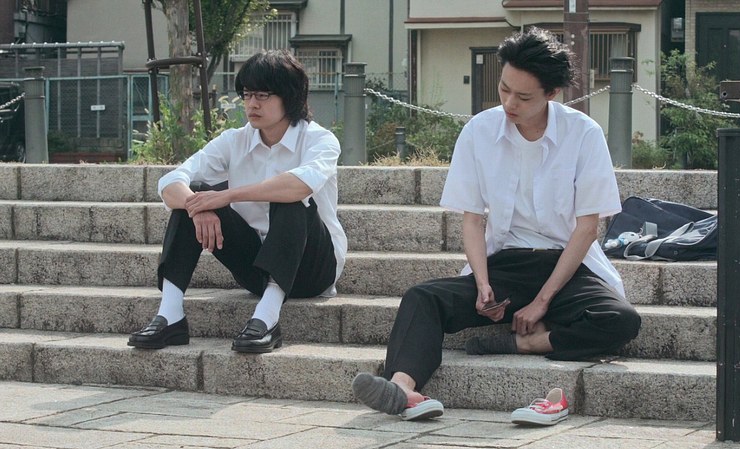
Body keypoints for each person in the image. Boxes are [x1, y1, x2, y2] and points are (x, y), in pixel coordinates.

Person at [351, 27, 641, 421]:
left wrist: (542, 302)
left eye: (523, 97)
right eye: (504, 88)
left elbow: (587, 228)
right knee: (423, 297)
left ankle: (526, 343)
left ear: (552, 93)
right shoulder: (480, 131)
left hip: (567, 268)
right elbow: (473, 220)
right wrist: (483, 283)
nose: (509, 103)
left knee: (621, 320)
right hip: (505, 265)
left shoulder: (583, 134)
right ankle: (403, 387)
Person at [128, 50, 347, 354]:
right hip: (256, 268)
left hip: (312, 269)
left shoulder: (319, 140)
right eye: (247, 94)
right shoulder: (234, 140)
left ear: (290, 96)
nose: (252, 104)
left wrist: (229, 195)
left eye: (262, 95)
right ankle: (171, 315)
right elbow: (170, 182)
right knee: (193, 196)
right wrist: (197, 206)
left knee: (288, 197)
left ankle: (267, 318)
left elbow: (299, 186)